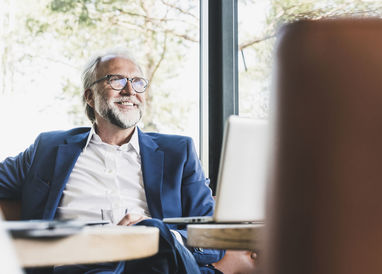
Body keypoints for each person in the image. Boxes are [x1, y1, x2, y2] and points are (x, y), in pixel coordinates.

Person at [0, 51, 225, 273]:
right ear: (89, 96)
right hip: (81, 266)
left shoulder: (179, 152)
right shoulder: (48, 148)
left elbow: (213, 238)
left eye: (137, 82)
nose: (129, 90)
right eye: (116, 80)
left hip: (158, 263)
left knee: (154, 232)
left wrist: (158, 235)